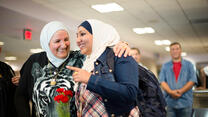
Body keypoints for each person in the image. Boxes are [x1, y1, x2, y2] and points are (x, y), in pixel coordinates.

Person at [15, 21, 131, 117]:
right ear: (47, 43)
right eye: (57, 41)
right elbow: (21, 96)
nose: (63, 45)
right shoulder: (34, 61)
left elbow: (100, 50)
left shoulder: (81, 58)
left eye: (66, 39)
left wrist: (120, 45)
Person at [67, 19, 140, 117]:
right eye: (77, 36)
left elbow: (130, 93)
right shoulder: (87, 63)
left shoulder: (119, 55)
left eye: (82, 34)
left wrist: (90, 79)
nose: (78, 40)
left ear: (98, 35)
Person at [159, 42, 197, 117]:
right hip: (170, 103)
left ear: (180, 50)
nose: (175, 51)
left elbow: (192, 80)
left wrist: (181, 91)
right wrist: (171, 92)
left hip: (185, 102)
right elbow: (162, 81)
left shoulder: (189, 64)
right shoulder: (165, 66)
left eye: (177, 49)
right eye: (172, 49)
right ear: (170, 52)